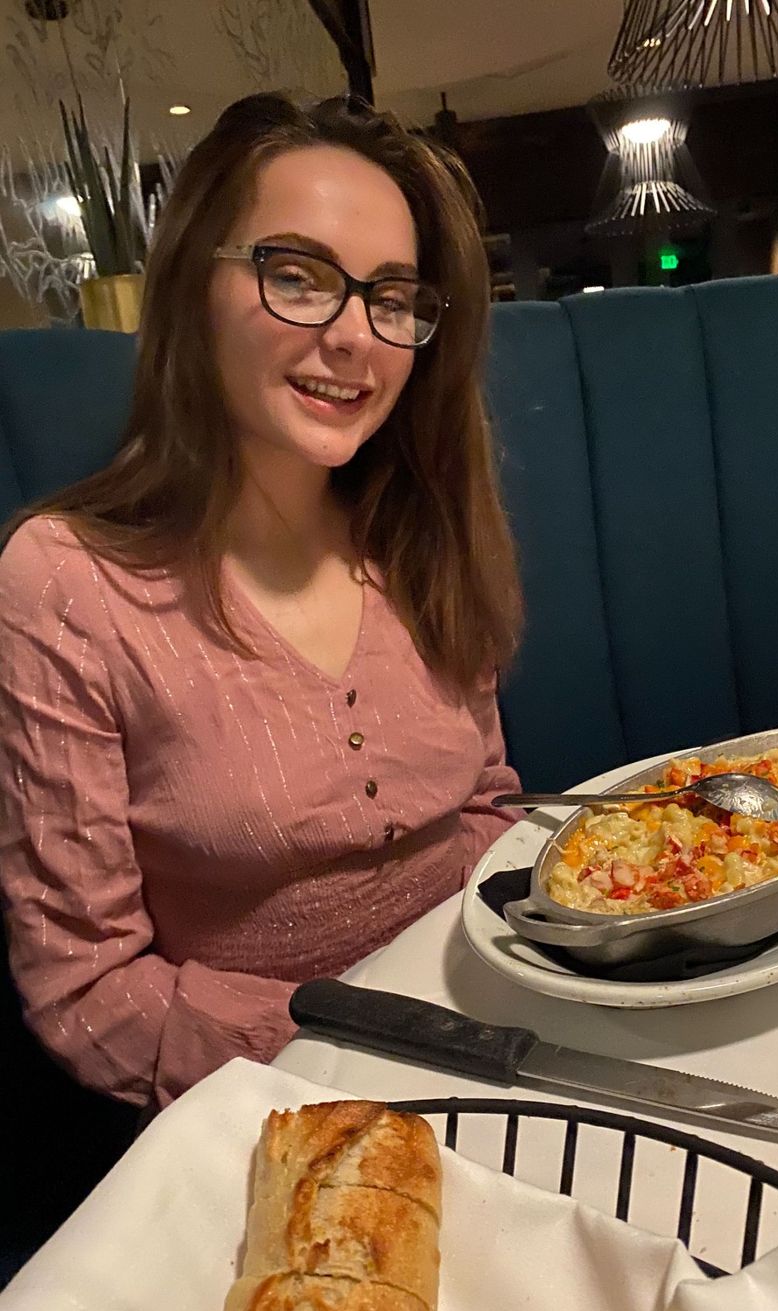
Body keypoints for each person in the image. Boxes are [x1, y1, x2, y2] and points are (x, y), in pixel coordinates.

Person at [0, 92, 523, 1112]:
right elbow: (88, 990)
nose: (355, 337)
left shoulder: (423, 530)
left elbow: (486, 807)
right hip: (267, 1109)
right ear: (194, 286)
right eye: (297, 276)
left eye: (393, 297)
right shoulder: (64, 583)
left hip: (499, 1036)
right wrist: (380, 1053)